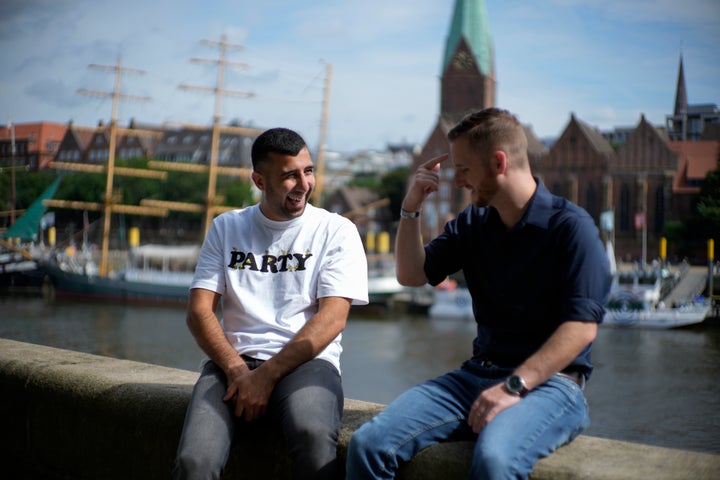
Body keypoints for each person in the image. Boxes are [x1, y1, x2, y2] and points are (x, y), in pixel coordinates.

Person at [347, 108, 611, 479]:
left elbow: (581, 328)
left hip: (552, 385)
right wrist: (411, 208)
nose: (457, 182)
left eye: (464, 169)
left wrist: (514, 386)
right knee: (368, 445)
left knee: (494, 460)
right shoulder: (474, 224)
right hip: (476, 377)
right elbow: (411, 275)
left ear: (498, 162)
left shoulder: (570, 228)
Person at [173, 127, 369, 480]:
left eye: (308, 171)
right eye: (290, 176)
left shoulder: (336, 231)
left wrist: (265, 376)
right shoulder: (226, 227)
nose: (304, 184)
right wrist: (237, 371)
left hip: (308, 362)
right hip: (231, 363)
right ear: (260, 180)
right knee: (194, 461)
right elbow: (199, 311)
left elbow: (333, 318)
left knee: (312, 438)